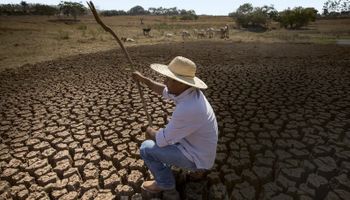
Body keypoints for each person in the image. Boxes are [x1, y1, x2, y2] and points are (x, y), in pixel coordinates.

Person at [132, 56, 218, 193]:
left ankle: (165, 183)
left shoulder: (188, 108)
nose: (164, 81)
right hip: (201, 151)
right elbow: (161, 89)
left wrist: (149, 131)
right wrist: (144, 79)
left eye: (168, 79)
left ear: (181, 83)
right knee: (166, 132)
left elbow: (162, 140)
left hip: (196, 156)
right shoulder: (188, 92)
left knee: (146, 148)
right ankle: (198, 170)